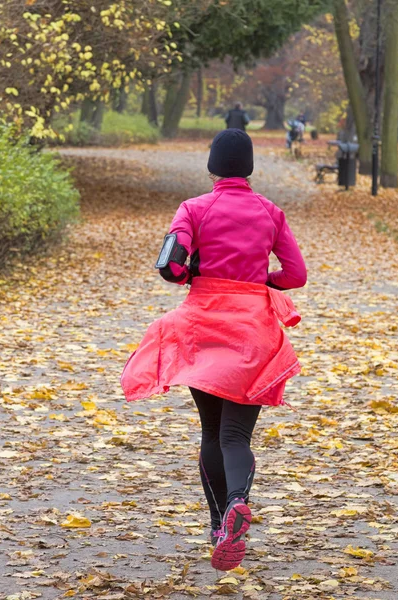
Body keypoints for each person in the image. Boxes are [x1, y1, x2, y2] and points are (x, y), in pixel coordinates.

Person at [120, 129, 307, 572]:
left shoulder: (194, 208)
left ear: (211, 167)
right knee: (235, 436)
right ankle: (238, 503)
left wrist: (193, 273)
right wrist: (262, 282)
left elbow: (170, 265)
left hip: (201, 328)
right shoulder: (270, 211)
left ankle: (218, 525)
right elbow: (295, 274)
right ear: (250, 168)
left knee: (210, 433)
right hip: (252, 333)